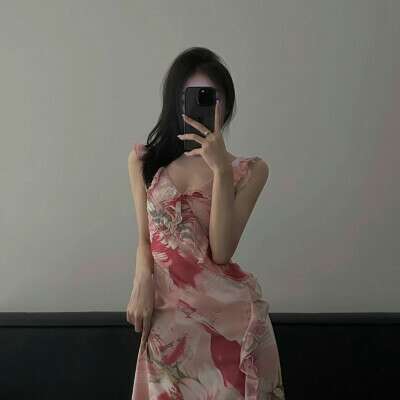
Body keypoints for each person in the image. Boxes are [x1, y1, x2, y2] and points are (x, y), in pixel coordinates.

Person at [127, 47, 285, 399]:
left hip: (230, 330)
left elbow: (222, 252)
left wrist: (222, 170)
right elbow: (144, 240)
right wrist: (141, 279)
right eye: (191, 96)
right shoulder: (143, 163)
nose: (201, 107)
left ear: (225, 105)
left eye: (211, 98)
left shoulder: (250, 170)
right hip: (169, 331)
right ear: (174, 102)